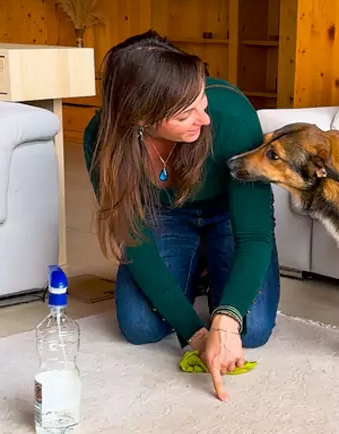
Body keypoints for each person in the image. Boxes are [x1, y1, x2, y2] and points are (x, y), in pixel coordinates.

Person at [83, 31, 279, 402]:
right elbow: (135, 241)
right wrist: (198, 334)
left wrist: (226, 319)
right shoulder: (103, 139)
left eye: (200, 98)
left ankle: (208, 271)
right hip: (165, 216)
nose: (202, 119)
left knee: (251, 330)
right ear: (141, 117)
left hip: (228, 213)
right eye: (185, 113)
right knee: (140, 327)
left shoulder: (231, 117)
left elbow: (254, 234)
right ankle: (199, 272)